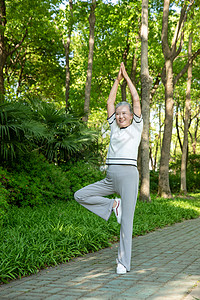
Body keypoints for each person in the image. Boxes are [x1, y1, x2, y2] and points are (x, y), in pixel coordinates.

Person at [74, 62, 143, 274]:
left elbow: (137, 100)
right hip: (110, 176)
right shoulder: (114, 126)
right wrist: (117, 79)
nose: (121, 116)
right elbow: (109, 101)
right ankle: (114, 205)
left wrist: (128, 79)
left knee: (127, 224)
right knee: (80, 195)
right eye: (119, 113)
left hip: (129, 176)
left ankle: (123, 263)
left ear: (131, 116)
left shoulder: (137, 127)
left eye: (125, 113)